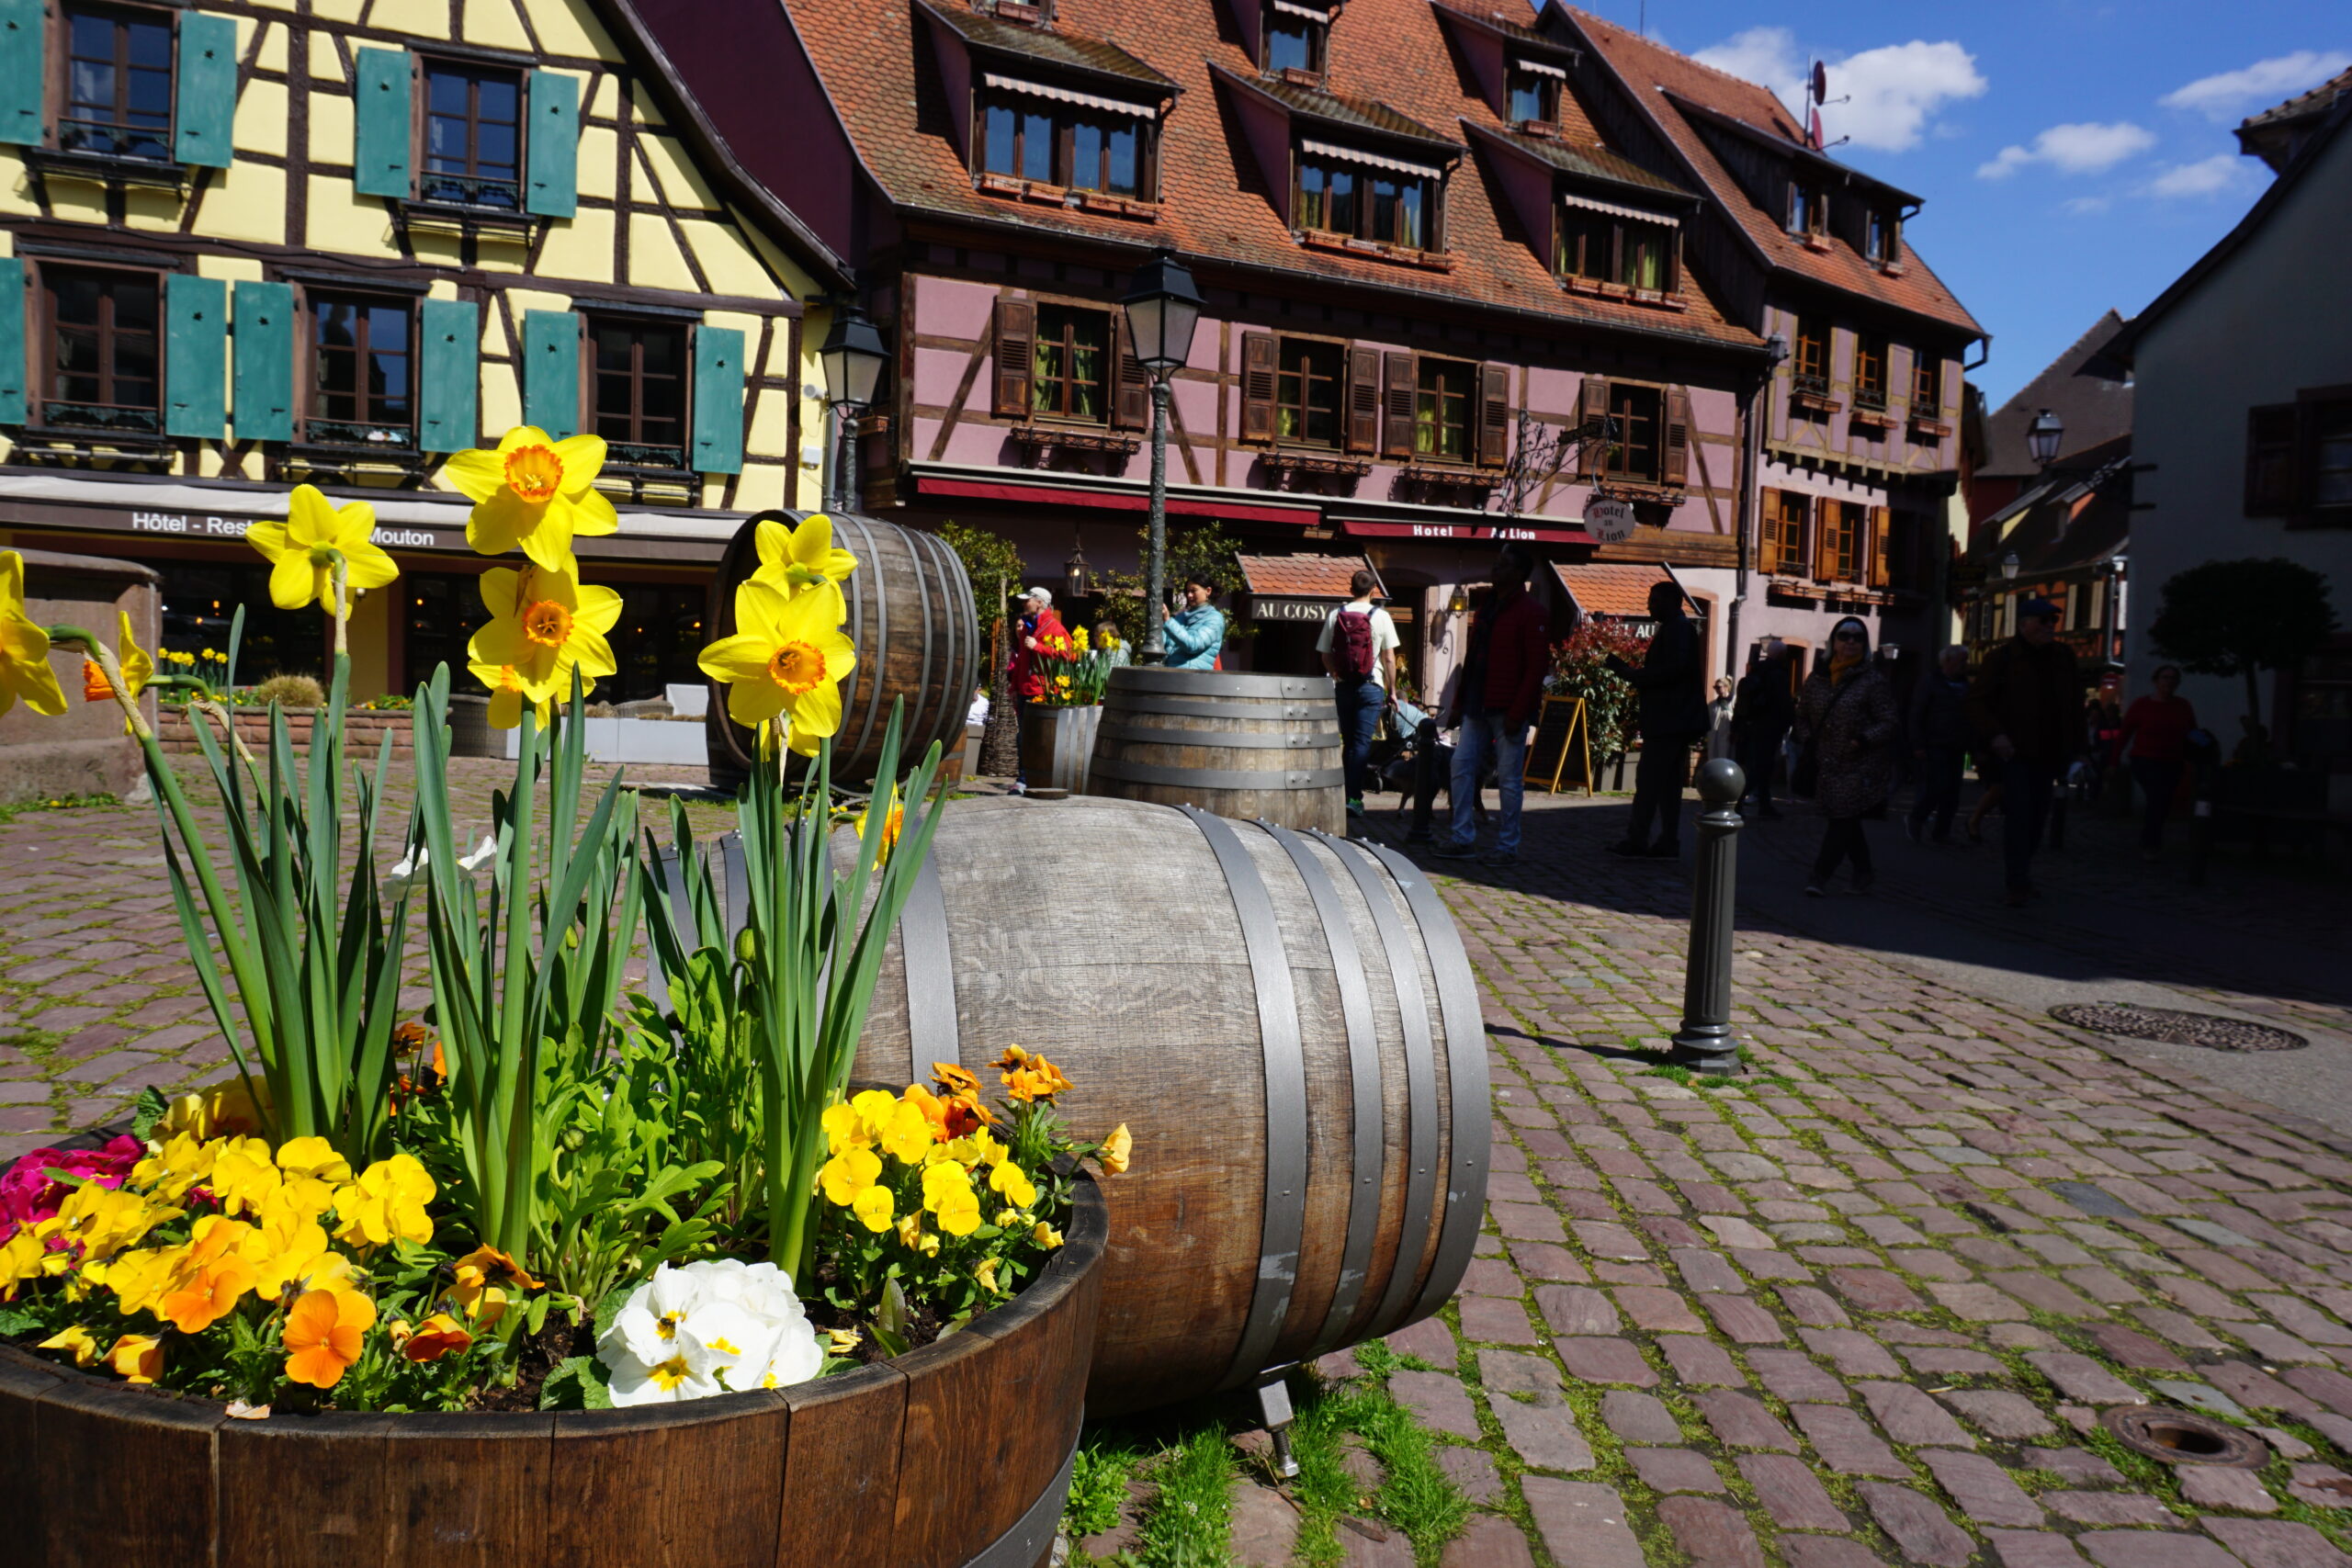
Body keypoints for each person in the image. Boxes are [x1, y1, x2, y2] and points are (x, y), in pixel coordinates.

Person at [1435, 547, 1550, 864]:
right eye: (1496, 562)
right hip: (1477, 703)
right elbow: (1471, 661)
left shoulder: (1532, 612)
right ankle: (1462, 838)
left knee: (1510, 779)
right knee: (1460, 767)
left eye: (1503, 564)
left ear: (1519, 574)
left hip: (1508, 708)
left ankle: (1507, 846)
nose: (1495, 568)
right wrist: (1458, 704)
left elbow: (1536, 667)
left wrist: (1518, 712)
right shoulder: (1487, 608)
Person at [1966, 596, 2081, 906]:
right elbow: (1976, 702)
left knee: (2037, 818)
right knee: (2019, 815)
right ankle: (2017, 881)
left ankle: (2022, 873)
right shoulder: (2002, 659)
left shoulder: (2063, 657)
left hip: (2050, 752)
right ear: (2024, 623)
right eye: (2043, 621)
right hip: (2015, 751)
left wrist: (2078, 748)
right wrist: (1996, 735)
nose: (2049, 627)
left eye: (2053, 621)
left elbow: (2073, 705)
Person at [1793, 616, 1901, 895]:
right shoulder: (1817, 679)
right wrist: (1808, 740)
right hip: (1826, 763)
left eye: (1857, 638)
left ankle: (1819, 876)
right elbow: (1802, 716)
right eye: (1844, 636)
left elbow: (1889, 721)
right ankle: (1863, 870)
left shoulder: (1873, 680)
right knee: (1844, 818)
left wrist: (1863, 740)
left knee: (1842, 818)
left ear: (1864, 645)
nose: (1850, 642)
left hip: (1860, 764)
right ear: (1834, 641)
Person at [1604, 581, 1708, 859]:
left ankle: (1638, 839)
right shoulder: (1678, 628)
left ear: (1670, 602)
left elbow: (1670, 672)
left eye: (1654, 600)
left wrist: (1628, 672)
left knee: (1649, 782)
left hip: (1668, 720)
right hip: (1674, 720)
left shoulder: (1677, 630)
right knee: (1668, 784)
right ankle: (1667, 841)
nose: (1649, 605)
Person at [1317, 569, 1401, 818]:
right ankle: (1354, 798)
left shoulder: (1336, 615)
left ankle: (1345, 795)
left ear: (1351, 589)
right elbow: (1388, 657)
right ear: (1373, 590)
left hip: (1344, 687)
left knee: (1348, 742)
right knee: (1362, 744)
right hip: (1371, 686)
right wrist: (1393, 690)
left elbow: (1324, 655)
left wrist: (1338, 675)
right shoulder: (1382, 616)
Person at [2118, 664, 2196, 860]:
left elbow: (2192, 731)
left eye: (2172, 678)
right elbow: (2125, 734)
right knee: (2157, 797)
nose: (2168, 682)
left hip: (2172, 761)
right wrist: (2113, 761)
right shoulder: (2142, 705)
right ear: (2156, 681)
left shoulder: (2182, 706)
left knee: (2164, 802)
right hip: (2145, 759)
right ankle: (2151, 843)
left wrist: (2206, 743)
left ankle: (2150, 838)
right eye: (2165, 677)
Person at [1906, 645, 1972, 844]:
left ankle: (1942, 833)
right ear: (1948, 661)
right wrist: (1917, 744)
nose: (1965, 665)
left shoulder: (1965, 685)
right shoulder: (1930, 682)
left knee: (1952, 792)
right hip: (1935, 743)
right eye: (1962, 660)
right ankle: (1916, 818)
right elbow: (1916, 714)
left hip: (1957, 744)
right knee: (1937, 787)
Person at [1731, 642, 1794, 820]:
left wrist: (1736, 727)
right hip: (1769, 727)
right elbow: (1783, 702)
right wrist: (1789, 723)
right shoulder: (1778, 673)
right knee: (1761, 768)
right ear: (1781, 654)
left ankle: (1764, 805)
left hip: (1751, 726)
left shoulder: (1756, 670)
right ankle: (1737, 802)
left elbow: (1742, 702)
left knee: (1761, 767)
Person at [1008, 586, 1068, 704]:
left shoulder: (1055, 628)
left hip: (1043, 692)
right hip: (1023, 691)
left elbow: (1066, 656)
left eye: (1027, 601)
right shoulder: (1026, 627)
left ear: (1039, 603)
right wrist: (1014, 687)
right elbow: (1021, 659)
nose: (1024, 604)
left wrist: (1037, 647)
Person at [1159, 575, 1226, 671]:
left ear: (1208, 591)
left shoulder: (1215, 619)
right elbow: (1161, 646)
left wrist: (1168, 621)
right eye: (1187, 591)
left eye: (1193, 591)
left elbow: (1193, 645)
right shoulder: (1180, 617)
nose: (1189, 595)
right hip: (1171, 676)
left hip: (1194, 680)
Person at [1706, 678, 1736, 761]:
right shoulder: (1712, 705)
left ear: (1726, 687)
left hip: (1728, 738)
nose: (1716, 689)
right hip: (1714, 738)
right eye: (1715, 687)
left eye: (1718, 687)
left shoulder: (1735, 701)